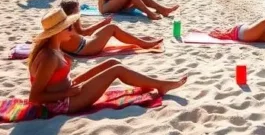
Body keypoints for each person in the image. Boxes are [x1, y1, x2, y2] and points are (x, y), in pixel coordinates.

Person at [27, 8, 186, 113]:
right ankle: (161, 85)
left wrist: (69, 87)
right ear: (57, 32)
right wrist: (68, 92)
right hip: (62, 103)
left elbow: (55, 82)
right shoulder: (49, 57)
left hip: (67, 91)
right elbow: (34, 97)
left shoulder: (54, 48)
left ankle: (155, 84)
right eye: (69, 28)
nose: (73, 30)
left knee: (112, 63)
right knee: (117, 70)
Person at [57, 0, 162, 56]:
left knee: (109, 28)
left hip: (84, 44)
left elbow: (82, 31)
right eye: (77, 10)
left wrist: (102, 24)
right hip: (86, 48)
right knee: (112, 28)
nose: (79, 12)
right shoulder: (67, 26)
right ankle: (144, 44)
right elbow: (84, 32)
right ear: (70, 12)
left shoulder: (62, 24)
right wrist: (103, 23)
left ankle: (141, 42)